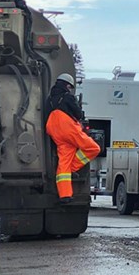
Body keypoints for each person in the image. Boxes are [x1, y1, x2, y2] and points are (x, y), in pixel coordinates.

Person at [45, 73, 100, 204]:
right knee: (93, 148)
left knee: (64, 162)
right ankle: (72, 168)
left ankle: (65, 195)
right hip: (67, 128)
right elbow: (78, 113)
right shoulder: (68, 97)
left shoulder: (49, 99)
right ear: (68, 85)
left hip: (53, 130)